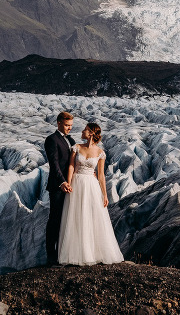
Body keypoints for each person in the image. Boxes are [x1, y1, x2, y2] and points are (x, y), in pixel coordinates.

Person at [57, 121, 124, 265]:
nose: (82, 131)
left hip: (91, 186)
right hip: (76, 182)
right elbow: (71, 166)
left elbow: (101, 175)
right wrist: (68, 183)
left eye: (85, 130)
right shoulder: (76, 147)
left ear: (92, 133)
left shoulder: (100, 153)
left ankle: (92, 253)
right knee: (75, 217)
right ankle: (76, 254)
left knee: (91, 217)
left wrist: (105, 195)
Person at [44, 111, 75, 266]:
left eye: (71, 126)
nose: (69, 128)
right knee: (55, 220)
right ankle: (51, 257)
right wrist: (62, 182)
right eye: (67, 125)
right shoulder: (51, 140)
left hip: (70, 186)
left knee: (67, 220)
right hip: (58, 186)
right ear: (59, 123)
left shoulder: (70, 139)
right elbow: (54, 163)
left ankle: (64, 253)